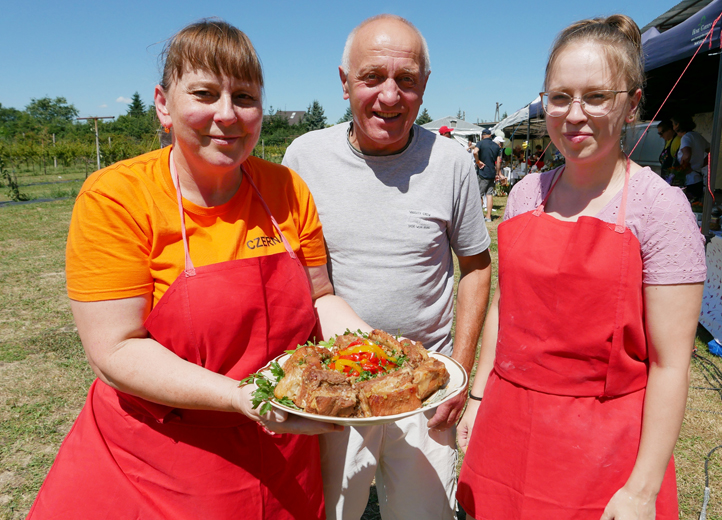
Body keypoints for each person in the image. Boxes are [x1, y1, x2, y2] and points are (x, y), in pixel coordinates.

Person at [28, 20, 372, 520]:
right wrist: (244, 398)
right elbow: (116, 350)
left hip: (281, 453)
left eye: (245, 97)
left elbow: (320, 297)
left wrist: (372, 350)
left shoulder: (286, 189)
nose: (227, 115)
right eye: (205, 94)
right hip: (160, 460)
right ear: (164, 104)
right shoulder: (117, 198)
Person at [457, 14, 706, 520]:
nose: (574, 114)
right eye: (560, 96)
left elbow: (670, 363)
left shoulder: (660, 209)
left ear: (633, 104)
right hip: (509, 426)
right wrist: (480, 396)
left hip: (603, 445)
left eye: (596, 96)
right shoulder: (527, 194)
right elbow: (506, 305)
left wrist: (642, 489)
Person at [282, 14, 492, 520]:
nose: (390, 96)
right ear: (344, 81)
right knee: (331, 512)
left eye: (407, 80)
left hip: (427, 383)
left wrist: (457, 372)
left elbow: (477, 268)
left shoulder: (452, 162)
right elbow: (294, 273)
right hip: (337, 385)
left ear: (424, 86)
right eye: (372, 77)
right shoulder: (305, 157)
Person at [672, 114, 710, 202]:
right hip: (698, 178)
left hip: (689, 180)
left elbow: (687, 155)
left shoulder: (686, 137)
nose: (673, 126)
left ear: (678, 125)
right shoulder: (697, 136)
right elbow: (712, 152)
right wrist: (701, 164)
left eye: (673, 124)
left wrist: (682, 170)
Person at [473, 128, 502, 221]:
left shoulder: (480, 143)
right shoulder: (496, 146)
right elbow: (498, 162)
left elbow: (475, 152)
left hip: (482, 172)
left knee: (479, 194)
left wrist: (478, 161)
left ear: (482, 136)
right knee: (489, 195)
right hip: (492, 173)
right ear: (490, 135)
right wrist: (497, 173)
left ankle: (479, 217)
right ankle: (489, 216)